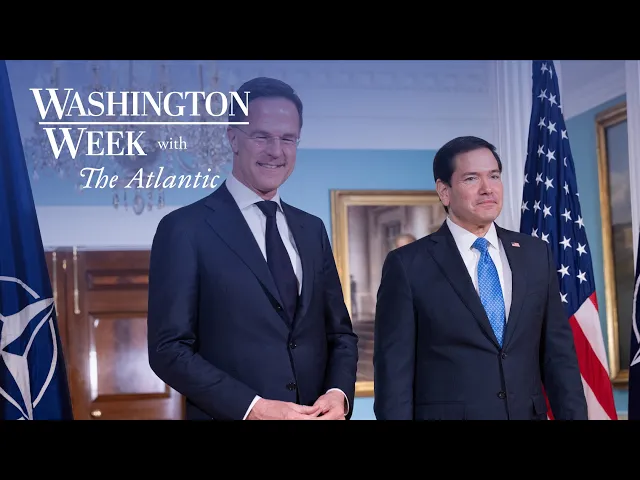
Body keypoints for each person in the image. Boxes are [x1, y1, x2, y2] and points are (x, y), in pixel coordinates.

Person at [147, 77, 358, 420]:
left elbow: (340, 335)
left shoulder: (312, 230)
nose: (276, 150)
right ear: (233, 138)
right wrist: (253, 408)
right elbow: (168, 350)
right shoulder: (185, 229)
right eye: (262, 136)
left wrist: (338, 394)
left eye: (287, 138)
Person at [373, 136, 588, 420]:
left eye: (494, 176)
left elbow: (559, 358)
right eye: (472, 178)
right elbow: (393, 375)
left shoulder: (535, 254)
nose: (488, 188)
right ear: (444, 191)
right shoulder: (408, 264)